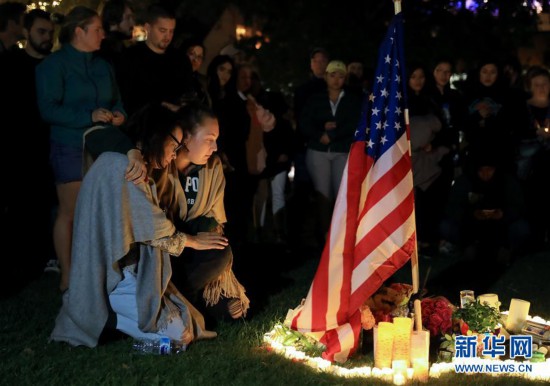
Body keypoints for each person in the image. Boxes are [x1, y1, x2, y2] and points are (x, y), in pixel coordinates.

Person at [50, 104, 218, 348]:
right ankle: (104, 314)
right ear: (158, 136)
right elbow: (154, 228)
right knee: (179, 335)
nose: (175, 153)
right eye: (175, 145)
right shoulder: (124, 167)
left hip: (130, 270)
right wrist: (193, 241)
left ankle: (111, 315)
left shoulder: (132, 164)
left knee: (186, 325)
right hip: (112, 276)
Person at [35, 6, 131, 292]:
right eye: (97, 29)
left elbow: (118, 101)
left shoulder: (102, 65)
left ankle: (100, 270)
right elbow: (48, 109)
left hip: (103, 144)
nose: (103, 34)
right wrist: (87, 116)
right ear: (79, 31)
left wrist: (118, 115)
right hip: (70, 145)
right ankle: (67, 274)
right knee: (71, 210)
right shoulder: (53, 66)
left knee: (103, 209)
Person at [165, 102, 250, 323]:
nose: (214, 147)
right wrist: (189, 238)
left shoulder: (213, 167)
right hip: (166, 245)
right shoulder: (162, 166)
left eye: (216, 140)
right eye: (209, 139)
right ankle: (190, 305)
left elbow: (214, 218)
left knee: (221, 252)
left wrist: (203, 233)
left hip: (195, 248)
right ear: (185, 137)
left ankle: (181, 301)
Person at [0, 9, 56, 285]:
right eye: (41, 32)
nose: (46, 38)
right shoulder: (10, 63)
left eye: (50, 33)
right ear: (28, 31)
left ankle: (42, 258)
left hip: (47, 146)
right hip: (16, 147)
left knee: (44, 205)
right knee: (19, 206)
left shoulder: (55, 66)